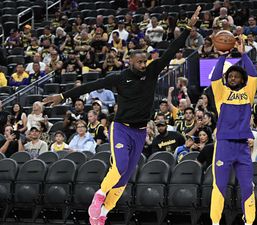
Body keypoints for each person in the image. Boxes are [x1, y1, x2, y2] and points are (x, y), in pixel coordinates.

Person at [42, 7, 201, 225]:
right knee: (118, 167)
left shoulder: (152, 72)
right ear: (130, 62)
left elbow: (171, 51)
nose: (144, 65)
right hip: (122, 128)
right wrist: (63, 95)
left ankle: (104, 213)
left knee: (125, 177)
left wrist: (187, 29)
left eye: (145, 61)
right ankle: (99, 196)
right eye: (140, 62)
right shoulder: (120, 77)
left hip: (140, 131)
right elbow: (91, 84)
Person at [209, 37, 257, 225]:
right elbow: (214, 78)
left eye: (237, 76)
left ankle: (249, 222)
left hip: (243, 147)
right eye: (230, 76)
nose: (233, 78)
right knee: (219, 185)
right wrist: (222, 56)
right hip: (224, 145)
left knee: (247, 186)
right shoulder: (221, 94)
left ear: (242, 80)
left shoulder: (249, 93)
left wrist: (243, 54)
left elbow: (254, 75)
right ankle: (215, 222)